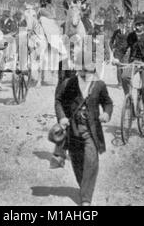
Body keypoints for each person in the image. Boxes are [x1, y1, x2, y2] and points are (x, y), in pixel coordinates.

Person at [53, 55, 113, 206]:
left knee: (92, 162)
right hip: (73, 131)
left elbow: (108, 102)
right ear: (78, 69)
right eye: (83, 71)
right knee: (78, 163)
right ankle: (84, 188)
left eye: (90, 70)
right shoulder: (68, 83)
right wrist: (61, 117)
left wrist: (106, 113)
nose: (87, 74)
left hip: (91, 132)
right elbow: (58, 100)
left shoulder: (99, 85)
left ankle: (86, 199)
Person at [113, 13, 144, 126]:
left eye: (140, 25)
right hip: (134, 62)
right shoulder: (131, 36)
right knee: (124, 77)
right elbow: (122, 49)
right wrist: (116, 58)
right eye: (136, 25)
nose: (137, 27)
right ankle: (129, 101)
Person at [109, 16, 129, 87]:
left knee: (124, 68)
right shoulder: (116, 32)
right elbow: (111, 42)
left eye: (123, 23)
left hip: (126, 53)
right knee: (118, 67)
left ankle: (124, 82)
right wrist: (112, 49)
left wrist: (130, 50)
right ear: (119, 24)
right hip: (117, 52)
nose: (122, 25)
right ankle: (120, 83)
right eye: (120, 23)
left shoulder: (129, 32)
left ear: (125, 24)